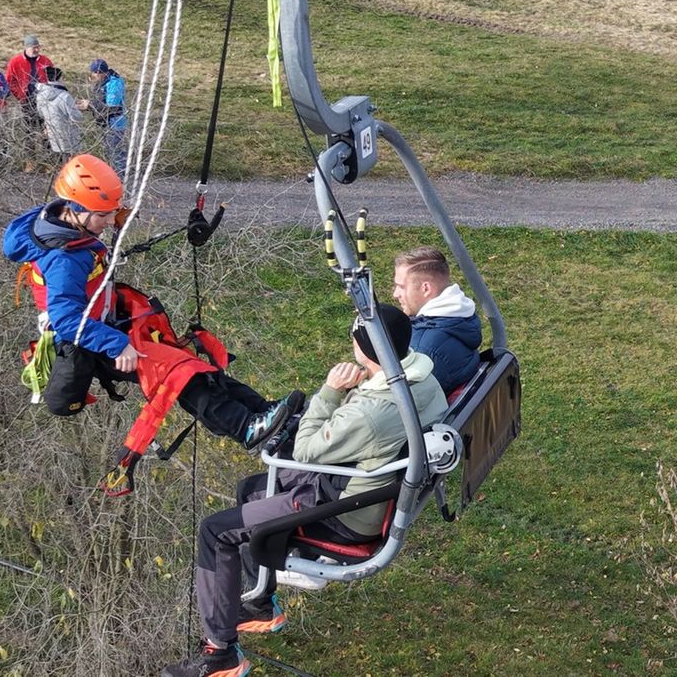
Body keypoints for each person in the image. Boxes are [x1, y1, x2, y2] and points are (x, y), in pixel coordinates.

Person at [163, 305, 450, 677]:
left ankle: (220, 654)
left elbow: (306, 450)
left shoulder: (371, 413)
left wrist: (331, 392)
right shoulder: (423, 378)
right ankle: (260, 601)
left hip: (340, 512)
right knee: (252, 489)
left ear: (366, 348)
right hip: (364, 489)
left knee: (215, 531)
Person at [1, 154, 298, 469]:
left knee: (188, 362)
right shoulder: (64, 259)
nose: (108, 221)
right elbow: (66, 320)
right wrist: (117, 345)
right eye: (103, 215)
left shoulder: (58, 219)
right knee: (178, 374)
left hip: (107, 324)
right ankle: (247, 429)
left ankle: (261, 412)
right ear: (77, 211)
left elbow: (99, 228)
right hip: (89, 341)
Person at [392, 246, 482, 393]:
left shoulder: (422, 350)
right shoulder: (461, 315)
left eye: (401, 287)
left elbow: (401, 404)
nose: (396, 294)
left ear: (426, 288)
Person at [4, 34, 54, 147]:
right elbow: (10, 81)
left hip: (45, 101)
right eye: (34, 47)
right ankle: (30, 160)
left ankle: (47, 158)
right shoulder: (15, 62)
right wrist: (20, 95)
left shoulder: (45, 61)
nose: (37, 50)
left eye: (38, 47)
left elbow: (53, 78)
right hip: (27, 101)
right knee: (29, 131)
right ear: (26, 47)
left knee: (47, 129)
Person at [79, 58, 127, 171]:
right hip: (104, 122)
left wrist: (90, 105)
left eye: (97, 73)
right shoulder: (101, 82)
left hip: (114, 123)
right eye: (93, 72)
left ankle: (120, 176)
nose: (94, 75)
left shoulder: (114, 84)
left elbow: (111, 107)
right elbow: (100, 102)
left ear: (103, 73)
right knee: (108, 151)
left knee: (115, 152)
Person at [35, 66, 84, 157]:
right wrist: (79, 108)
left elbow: (41, 114)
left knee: (59, 162)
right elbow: (77, 117)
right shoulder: (65, 96)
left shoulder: (40, 96)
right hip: (69, 137)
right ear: (60, 78)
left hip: (53, 136)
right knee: (71, 164)